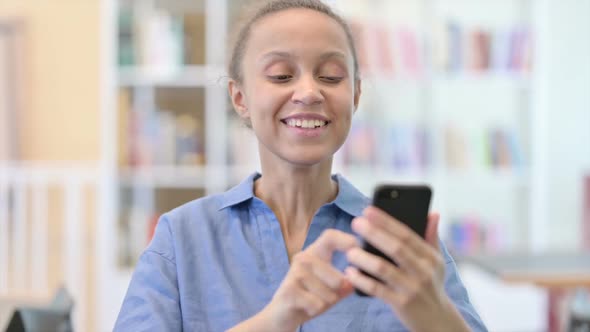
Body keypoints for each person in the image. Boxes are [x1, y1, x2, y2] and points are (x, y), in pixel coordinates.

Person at [114, 0, 487, 331]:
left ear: (355, 94)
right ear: (240, 97)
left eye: (331, 76)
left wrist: (435, 317)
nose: (309, 92)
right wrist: (275, 321)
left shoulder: (403, 244)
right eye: (281, 75)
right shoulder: (181, 239)